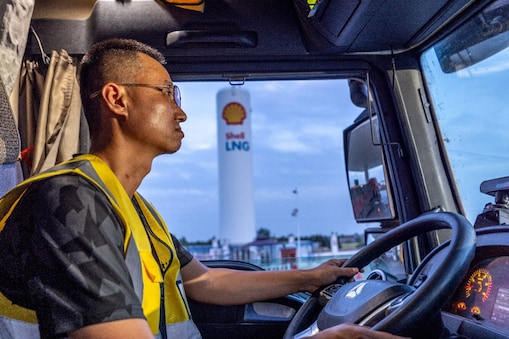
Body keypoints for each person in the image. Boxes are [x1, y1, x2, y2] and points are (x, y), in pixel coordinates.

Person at [0, 38, 403, 339]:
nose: (181, 110)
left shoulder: (134, 208)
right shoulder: (69, 201)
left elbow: (203, 282)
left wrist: (307, 278)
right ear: (116, 99)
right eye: (166, 92)